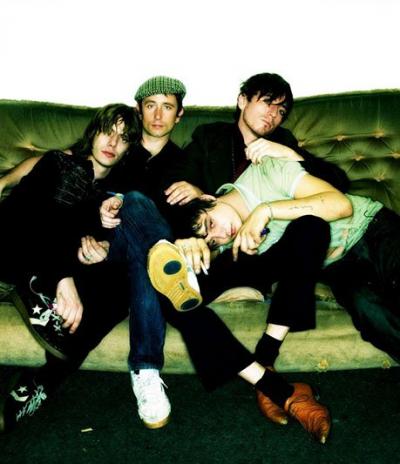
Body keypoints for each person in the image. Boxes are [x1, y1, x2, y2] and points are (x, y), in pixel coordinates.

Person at [173, 146, 400, 366]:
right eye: (212, 240)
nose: (221, 234)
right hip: (339, 267)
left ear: (207, 200)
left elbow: (341, 205)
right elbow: (198, 281)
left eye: (210, 224)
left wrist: (266, 211)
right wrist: (184, 248)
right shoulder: (229, 242)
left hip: (372, 228)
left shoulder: (266, 170)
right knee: (371, 313)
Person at [0, 103, 141, 432]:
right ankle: (35, 286)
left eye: (123, 138)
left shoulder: (114, 195)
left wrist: (103, 249)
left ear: (129, 148)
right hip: (14, 242)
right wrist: (63, 278)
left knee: (121, 286)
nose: (112, 142)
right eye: (107, 131)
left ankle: (43, 382)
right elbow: (33, 218)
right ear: (93, 133)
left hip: (56, 257)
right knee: (53, 201)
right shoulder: (58, 163)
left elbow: (88, 237)